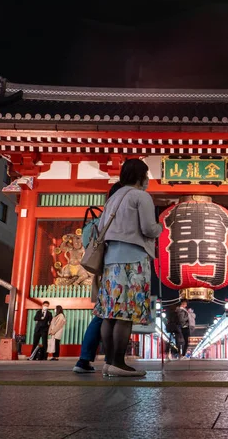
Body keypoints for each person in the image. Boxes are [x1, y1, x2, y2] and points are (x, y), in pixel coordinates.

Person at [93, 159, 162, 377]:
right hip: (133, 260)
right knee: (125, 312)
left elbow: (101, 226)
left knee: (109, 313)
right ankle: (119, 363)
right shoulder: (141, 196)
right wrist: (160, 227)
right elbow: (149, 228)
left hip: (110, 260)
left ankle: (109, 362)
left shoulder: (113, 198)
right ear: (141, 176)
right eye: (147, 175)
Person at [73, 182, 122, 374]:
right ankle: (106, 359)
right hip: (115, 271)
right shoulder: (114, 219)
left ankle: (86, 359)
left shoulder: (97, 221)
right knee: (109, 316)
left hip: (100, 271)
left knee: (103, 315)